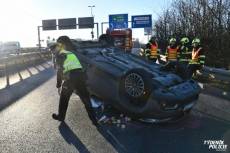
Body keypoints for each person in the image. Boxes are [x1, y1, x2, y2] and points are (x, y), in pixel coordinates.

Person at [52, 36, 97, 124]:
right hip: (80, 78)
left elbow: (60, 71)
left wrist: (58, 84)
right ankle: (94, 120)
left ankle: (61, 116)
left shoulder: (61, 54)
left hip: (70, 79)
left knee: (64, 99)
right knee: (86, 99)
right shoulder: (75, 52)